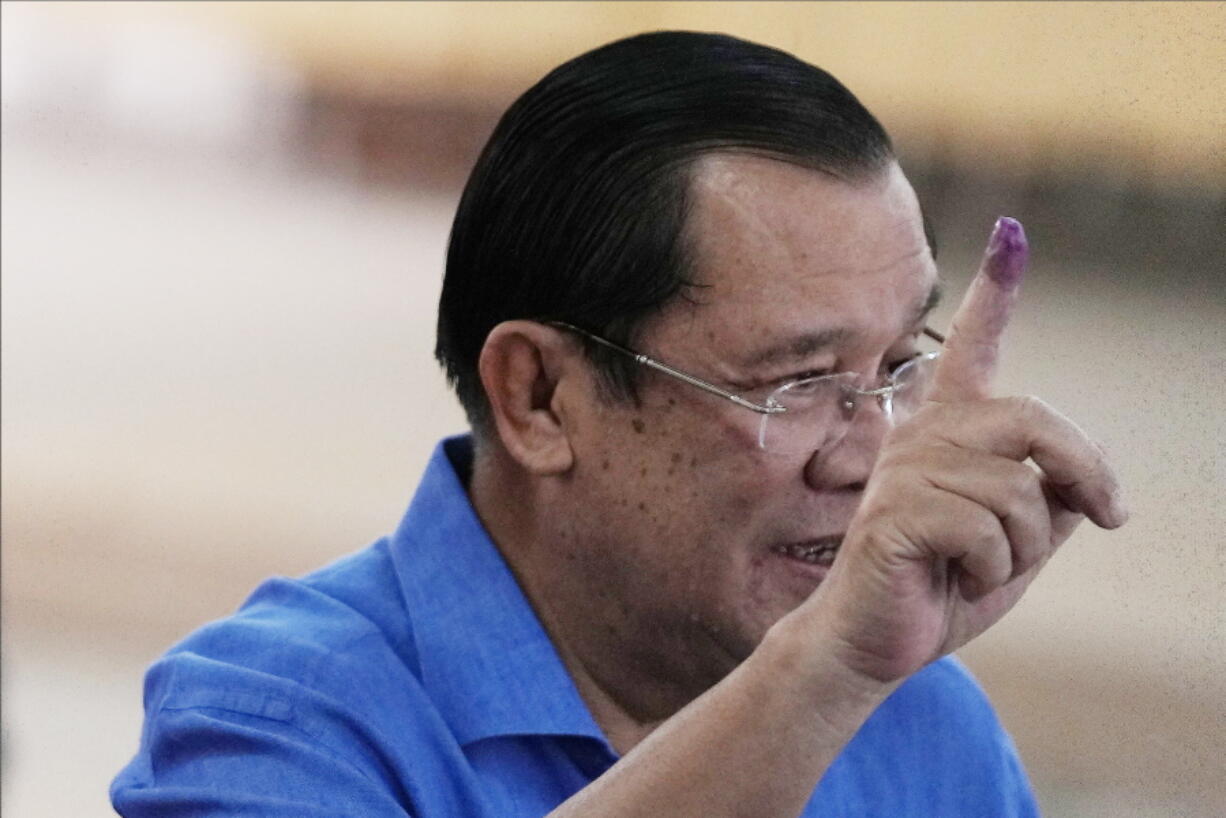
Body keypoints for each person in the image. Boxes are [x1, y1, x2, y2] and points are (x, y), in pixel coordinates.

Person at [112, 31, 1125, 817]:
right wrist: (815, 680)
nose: (871, 456)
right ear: (539, 397)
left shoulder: (916, 724)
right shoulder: (278, 717)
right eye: (798, 380)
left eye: (900, 364)